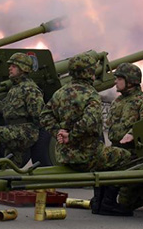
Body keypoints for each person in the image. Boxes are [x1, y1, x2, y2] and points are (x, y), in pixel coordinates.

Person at [40, 52, 132, 216]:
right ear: (89, 72)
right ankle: (107, 203)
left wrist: (58, 131)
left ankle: (98, 202)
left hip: (63, 155)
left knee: (106, 156)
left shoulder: (60, 93)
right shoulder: (91, 94)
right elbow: (90, 123)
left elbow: (45, 116)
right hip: (86, 156)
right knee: (123, 157)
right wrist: (72, 135)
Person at [106, 62, 143, 212]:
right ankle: (104, 201)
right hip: (116, 148)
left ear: (130, 81)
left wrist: (132, 135)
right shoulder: (118, 101)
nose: (115, 82)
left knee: (127, 202)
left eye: (119, 79)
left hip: (135, 154)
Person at [0, 53, 44, 167]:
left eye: (13, 66)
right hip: (15, 129)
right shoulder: (15, 88)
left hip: (26, 131)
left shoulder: (30, 89)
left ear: (23, 68)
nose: (9, 68)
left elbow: (38, 115)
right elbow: (7, 109)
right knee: (9, 168)